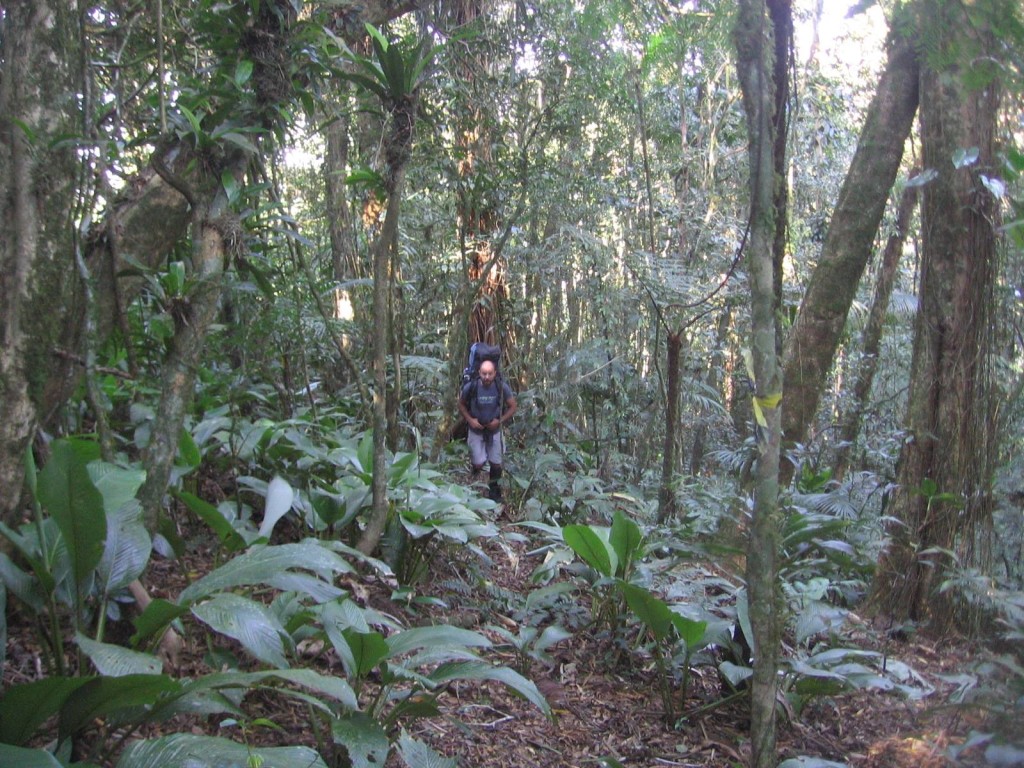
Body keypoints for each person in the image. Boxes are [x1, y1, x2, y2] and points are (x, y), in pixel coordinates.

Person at [457, 360, 517, 502]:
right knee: (478, 462)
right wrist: (471, 420)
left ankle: (494, 492)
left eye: (490, 373)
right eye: (484, 373)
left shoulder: (500, 387)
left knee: (496, 463)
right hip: (475, 430)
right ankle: (477, 469)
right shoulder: (471, 387)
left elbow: (513, 406)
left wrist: (500, 421)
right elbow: (461, 404)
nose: (487, 377)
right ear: (479, 373)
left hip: (494, 430)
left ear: (495, 373)